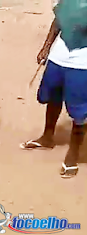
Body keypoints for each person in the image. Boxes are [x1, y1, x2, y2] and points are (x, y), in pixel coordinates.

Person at [20, 0, 87, 178]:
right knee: (53, 95)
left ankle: (73, 155)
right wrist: (46, 47)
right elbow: (58, 20)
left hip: (83, 61)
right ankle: (47, 137)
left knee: (79, 111)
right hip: (59, 55)